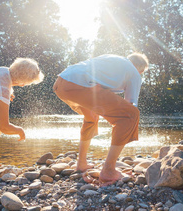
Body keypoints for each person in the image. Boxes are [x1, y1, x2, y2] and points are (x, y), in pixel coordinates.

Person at [53, 53, 149, 185]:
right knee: (131, 115)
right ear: (140, 69)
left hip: (61, 83)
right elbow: (129, 107)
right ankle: (108, 170)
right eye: (141, 72)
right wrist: (121, 128)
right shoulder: (134, 73)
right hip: (80, 86)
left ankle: (81, 164)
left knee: (91, 118)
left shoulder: (113, 59)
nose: (140, 74)